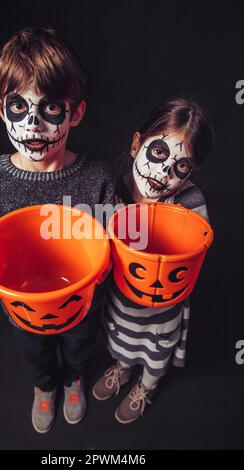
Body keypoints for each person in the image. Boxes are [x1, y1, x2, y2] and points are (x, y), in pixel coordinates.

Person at [0, 26, 115, 433]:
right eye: (18, 107)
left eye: (50, 110)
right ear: (0, 105)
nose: (32, 126)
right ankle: (45, 387)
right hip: (23, 309)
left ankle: (74, 380)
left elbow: (114, 237)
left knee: (80, 345)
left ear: (75, 112)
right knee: (35, 352)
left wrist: (106, 262)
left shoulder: (97, 176)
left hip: (82, 303)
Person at [92, 97, 214, 424]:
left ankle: (147, 385)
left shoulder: (191, 201)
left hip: (163, 306)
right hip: (122, 298)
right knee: (120, 337)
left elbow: (195, 250)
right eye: (159, 153)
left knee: (156, 350)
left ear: (190, 173)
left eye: (181, 166)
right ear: (136, 145)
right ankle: (122, 367)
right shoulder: (113, 194)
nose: (164, 172)